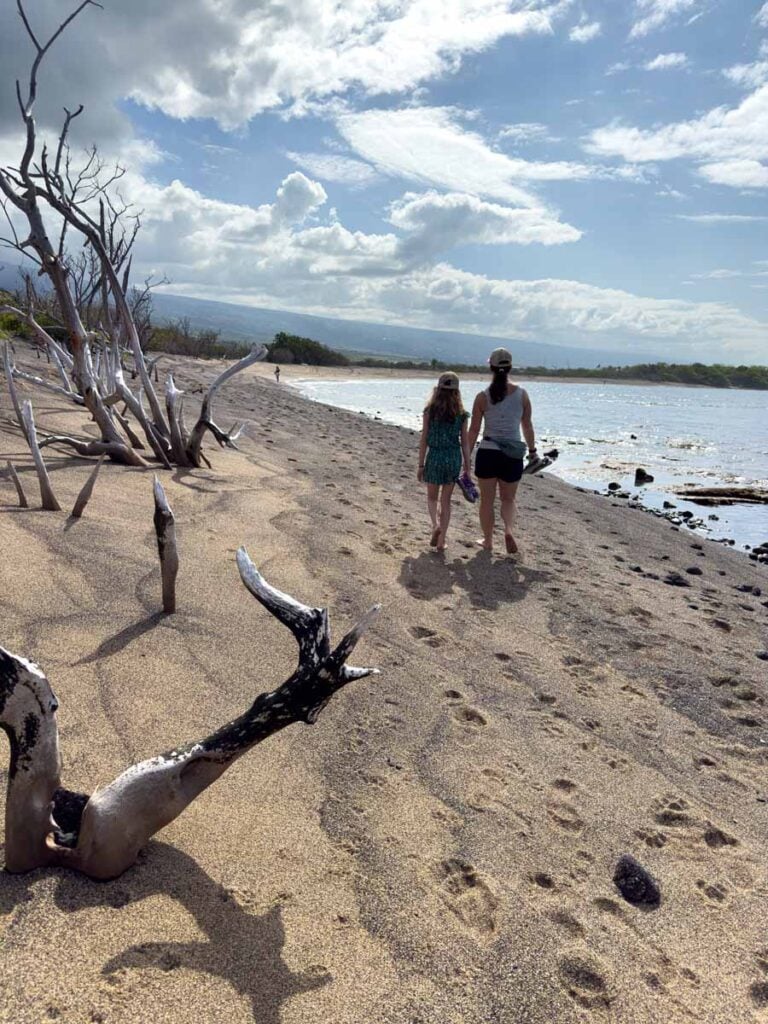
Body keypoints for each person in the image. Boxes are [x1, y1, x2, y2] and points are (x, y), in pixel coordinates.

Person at [467, 347, 537, 554]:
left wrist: (466, 456)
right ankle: (507, 530)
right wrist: (533, 452)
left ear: (491, 367)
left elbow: (473, 430)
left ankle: (488, 541)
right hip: (512, 455)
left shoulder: (482, 397)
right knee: (508, 499)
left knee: (486, 501)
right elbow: (527, 426)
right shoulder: (522, 395)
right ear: (510, 367)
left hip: (488, 453)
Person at [417, 371, 472, 551]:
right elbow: (464, 442)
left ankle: (435, 526)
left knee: (432, 497)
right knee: (446, 501)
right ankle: (442, 541)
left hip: (434, 456)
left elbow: (424, 438)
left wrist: (420, 464)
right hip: (453, 458)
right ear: (457, 392)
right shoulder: (462, 415)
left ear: (438, 389)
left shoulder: (429, 412)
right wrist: (467, 467)